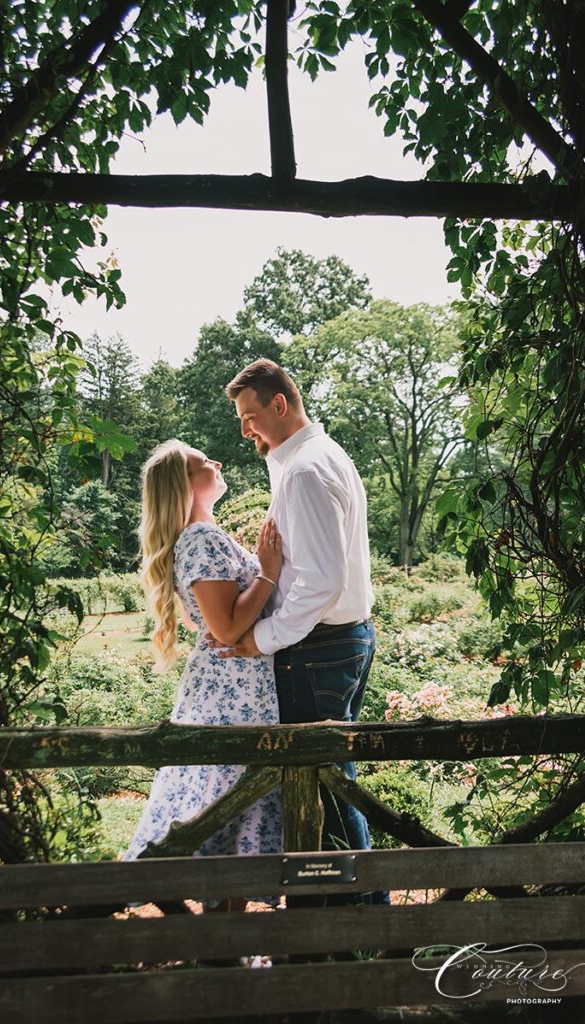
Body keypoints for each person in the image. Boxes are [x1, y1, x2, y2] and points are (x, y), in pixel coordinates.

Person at [216, 359, 388, 904]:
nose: (245, 430)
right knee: (330, 777)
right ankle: (333, 913)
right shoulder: (316, 456)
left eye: (250, 417)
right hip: (342, 639)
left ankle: (355, 917)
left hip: (317, 649)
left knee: (324, 786)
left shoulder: (308, 470)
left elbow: (321, 580)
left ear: (279, 405)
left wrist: (260, 639)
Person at [122, 439, 282, 873]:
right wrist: (267, 572)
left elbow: (202, 620)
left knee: (229, 800)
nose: (216, 460)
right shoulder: (201, 538)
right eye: (202, 462)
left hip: (228, 683)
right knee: (227, 800)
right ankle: (207, 921)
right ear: (184, 486)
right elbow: (225, 628)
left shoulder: (201, 537)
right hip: (233, 689)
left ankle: (226, 929)